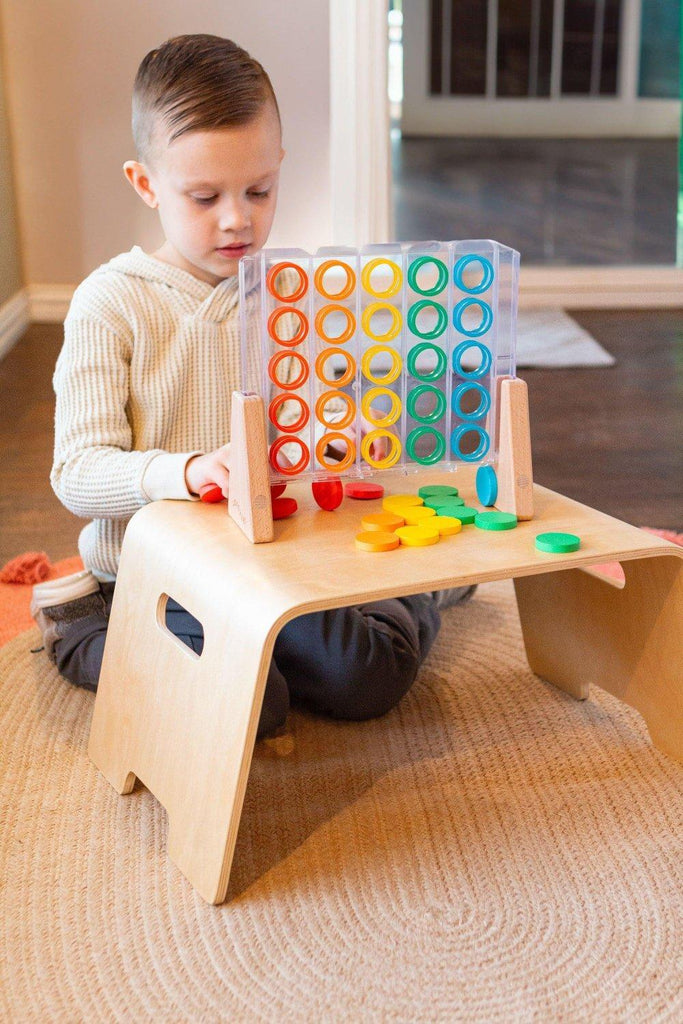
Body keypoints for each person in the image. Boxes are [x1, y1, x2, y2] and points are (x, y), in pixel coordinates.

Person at [31, 34, 474, 737]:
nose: (237, 217)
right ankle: (76, 623)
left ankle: (415, 595)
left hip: (272, 565)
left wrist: (339, 436)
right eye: (204, 196)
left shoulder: (288, 296)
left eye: (259, 190)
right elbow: (78, 473)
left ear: (278, 170)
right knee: (249, 703)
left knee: (367, 676)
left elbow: (320, 424)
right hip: (154, 578)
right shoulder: (109, 303)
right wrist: (190, 470)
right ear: (146, 184)